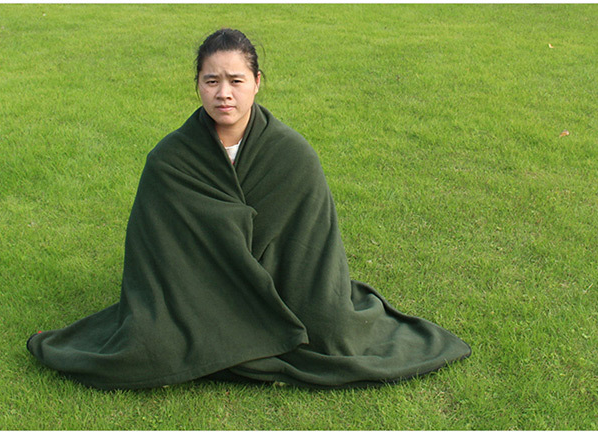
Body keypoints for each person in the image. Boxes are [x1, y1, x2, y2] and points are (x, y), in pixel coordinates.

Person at [26, 28, 471, 390]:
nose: (224, 94)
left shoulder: (292, 155)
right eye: (211, 81)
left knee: (329, 331)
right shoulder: (169, 161)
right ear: (197, 85)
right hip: (200, 289)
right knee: (153, 344)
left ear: (257, 82)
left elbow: (310, 248)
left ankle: (245, 333)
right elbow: (156, 253)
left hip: (280, 282)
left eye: (236, 81)